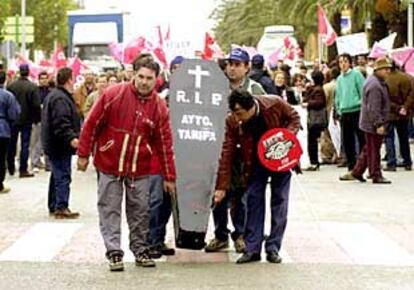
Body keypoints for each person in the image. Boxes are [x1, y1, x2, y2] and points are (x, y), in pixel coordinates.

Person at [77, 58, 176, 271]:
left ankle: (140, 248)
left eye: (149, 78)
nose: (144, 82)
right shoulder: (114, 94)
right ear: (133, 74)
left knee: (140, 210)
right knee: (110, 208)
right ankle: (113, 251)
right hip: (109, 163)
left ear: (156, 80)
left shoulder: (159, 107)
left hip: (139, 168)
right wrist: (83, 154)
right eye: (140, 76)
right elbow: (92, 124)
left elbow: (164, 143)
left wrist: (169, 177)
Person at [214, 89, 300, 264]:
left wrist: (286, 137)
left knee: (280, 201)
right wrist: (221, 186)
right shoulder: (232, 121)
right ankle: (252, 248)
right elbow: (227, 152)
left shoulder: (274, 104)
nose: (237, 118)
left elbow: (294, 117)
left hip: (280, 158)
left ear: (251, 107)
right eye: (234, 113)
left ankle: (273, 247)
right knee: (253, 200)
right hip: (254, 163)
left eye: (239, 113)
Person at [204, 48, 265, 254]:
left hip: (245, 150)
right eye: (229, 64)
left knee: (240, 194)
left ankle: (240, 234)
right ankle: (220, 234)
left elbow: (263, 117)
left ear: (247, 67)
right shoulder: (216, 88)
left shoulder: (255, 89)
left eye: (237, 64)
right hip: (218, 147)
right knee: (218, 191)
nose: (232, 68)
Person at [148, 55, 184, 259]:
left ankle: (158, 239)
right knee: (155, 202)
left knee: (167, 205)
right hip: (156, 161)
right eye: (175, 68)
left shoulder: (192, 96)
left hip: (178, 161)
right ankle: (150, 240)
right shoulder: (161, 97)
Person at [340, 57, 392, 184]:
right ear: (378, 70)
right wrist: (379, 123)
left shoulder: (376, 81)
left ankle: (357, 171)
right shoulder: (375, 85)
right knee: (374, 149)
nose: (388, 71)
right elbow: (374, 108)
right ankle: (375, 174)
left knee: (368, 148)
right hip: (373, 123)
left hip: (369, 122)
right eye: (386, 69)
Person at [42, 67, 81, 217]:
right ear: (69, 80)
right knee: (63, 175)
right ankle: (61, 206)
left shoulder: (57, 95)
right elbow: (61, 122)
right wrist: (71, 138)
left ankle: (54, 204)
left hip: (54, 143)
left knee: (56, 175)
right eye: (74, 78)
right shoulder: (60, 98)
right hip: (59, 144)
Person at [7, 64, 41, 177]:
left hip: (13, 119)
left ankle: (11, 167)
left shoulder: (11, 86)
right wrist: (37, 119)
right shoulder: (32, 87)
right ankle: (23, 169)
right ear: (28, 72)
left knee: (12, 143)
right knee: (25, 145)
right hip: (27, 119)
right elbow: (36, 105)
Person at [335, 53, 366, 180]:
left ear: (350, 62)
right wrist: (338, 109)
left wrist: (361, 105)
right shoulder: (339, 78)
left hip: (357, 110)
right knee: (347, 142)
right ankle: (351, 167)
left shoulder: (356, 75)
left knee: (362, 139)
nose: (343, 64)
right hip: (344, 112)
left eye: (345, 61)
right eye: (340, 62)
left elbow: (363, 92)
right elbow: (338, 96)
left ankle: (364, 166)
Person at [383, 62, 413, 171]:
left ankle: (391, 163)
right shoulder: (407, 78)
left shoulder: (385, 80)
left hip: (390, 113)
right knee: (403, 137)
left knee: (389, 137)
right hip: (404, 114)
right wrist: (405, 107)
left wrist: (397, 108)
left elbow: (385, 99)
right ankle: (407, 162)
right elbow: (412, 94)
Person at [0, 71, 21, 194]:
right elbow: (13, 114)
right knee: (1, 158)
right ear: (4, 81)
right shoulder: (8, 96)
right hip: (3, 130)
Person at [302, 71, 327, 171]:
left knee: (312, 140)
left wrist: (308, 104)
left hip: (315, 118)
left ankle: (314, 161)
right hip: (314, 117)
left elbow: (319, 102)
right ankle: (313, 161)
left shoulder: (318, 90)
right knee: (312, 140)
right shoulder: (314, 89)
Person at [31, 71, 50, 172]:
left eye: (45, 78)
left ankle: (48, 163)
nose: (43, 80)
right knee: (37, 143)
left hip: (48, 121)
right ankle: (35, 163)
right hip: (38, 120)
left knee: (47, 142)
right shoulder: (36, 91)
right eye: (42, 78)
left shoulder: (50, 91)